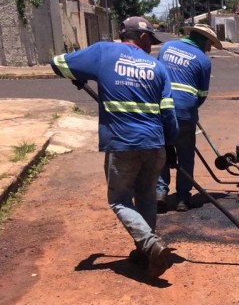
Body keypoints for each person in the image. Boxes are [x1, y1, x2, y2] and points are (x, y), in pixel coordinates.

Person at [50, 16, 179, 279]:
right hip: (155, 144)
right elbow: (169, 113)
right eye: (151, 41)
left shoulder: (103, 53)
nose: (152, 47)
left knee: (119, 200)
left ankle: (150, 244)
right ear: (141, 38)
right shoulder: (157, 67)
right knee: (145, 195)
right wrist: (171, 144)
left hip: (123, 144)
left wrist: (78, 72)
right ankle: (146, 253)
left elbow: (58, 63)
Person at [155, 24, 221, 212]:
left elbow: (157, 74)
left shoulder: (166, 47)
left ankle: (160, 192)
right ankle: (183, 198)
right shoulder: (203, 61)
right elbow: (201, 93)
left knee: (162, 151)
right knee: (185, 155)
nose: (209, 49)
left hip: (160, 109)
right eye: (210, 44)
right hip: (185, 112)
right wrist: (189, 110)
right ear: (203, 39)